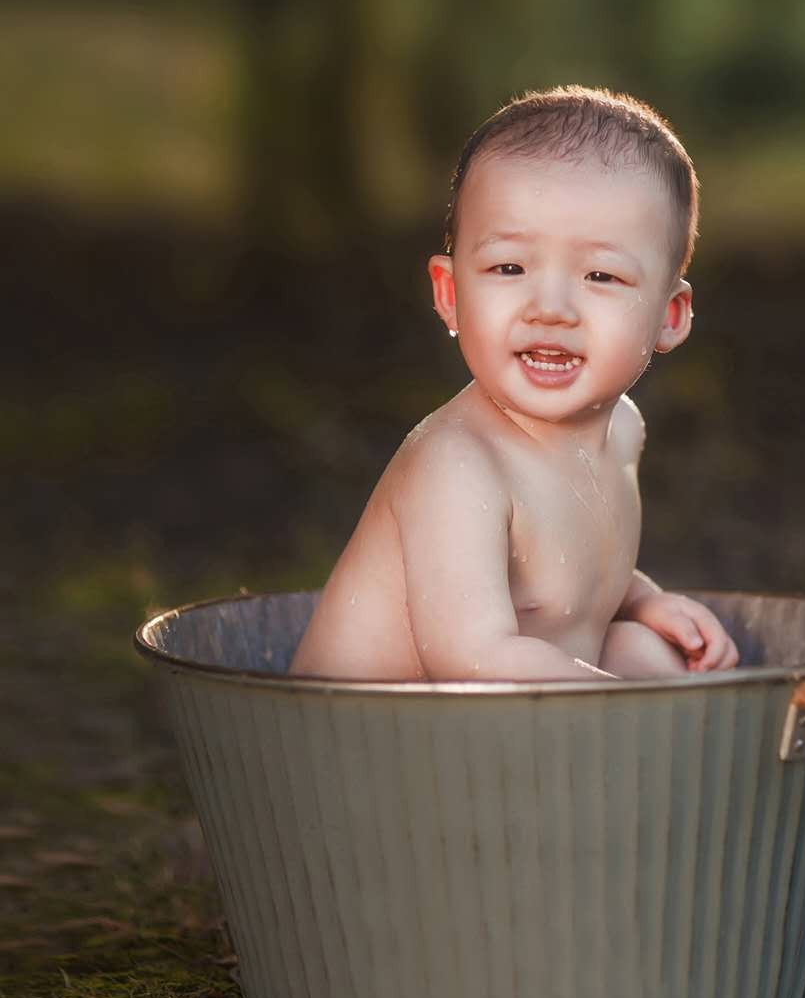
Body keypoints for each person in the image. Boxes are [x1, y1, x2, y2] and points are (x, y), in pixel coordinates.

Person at [289, 85, 739, 681]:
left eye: (600, 275)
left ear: (669, 317)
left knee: (647, 652)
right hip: (372, 749)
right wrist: (625, 711)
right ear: (450, 296)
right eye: (509, 267)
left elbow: (570, 573)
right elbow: (472, 656)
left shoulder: (624, 430)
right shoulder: (456, 466)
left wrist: (643, 600)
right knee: (637, 678)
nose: (549, 307)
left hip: (502, 734)